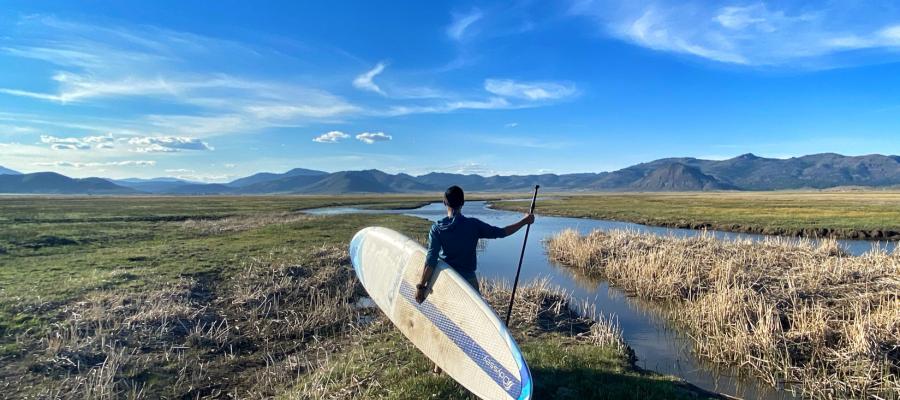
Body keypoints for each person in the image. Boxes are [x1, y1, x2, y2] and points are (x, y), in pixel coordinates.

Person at [415, 185, 535, 304]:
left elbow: (431, 260)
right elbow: (501, 232)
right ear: (463, 203)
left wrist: (421, 287)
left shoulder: (437, 229)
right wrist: (524, 221)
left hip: (447, 280)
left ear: (444, 202)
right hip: (469, 282)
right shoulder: (473, 225)